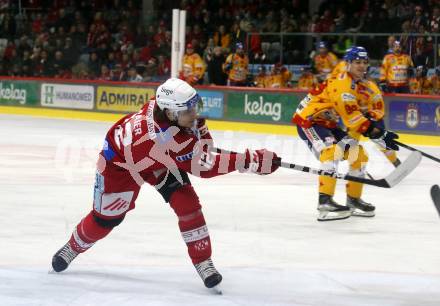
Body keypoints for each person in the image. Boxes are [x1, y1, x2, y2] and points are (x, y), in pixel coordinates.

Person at [51, 78, 279, 289]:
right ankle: (73, 247)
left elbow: (202, 150)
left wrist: (198, 130)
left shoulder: (160, 109)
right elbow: (205, 166)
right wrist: (251, 160)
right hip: (120, 167)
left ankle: (203, 261)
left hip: (156, 160)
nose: (194, 113)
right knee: (105, 219)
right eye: (188, 110)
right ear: (170, 113)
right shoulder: (163, 138)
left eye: (193, 106)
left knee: (187, 204)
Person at [292, 47, 400, 221]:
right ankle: (325, 202)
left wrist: (374, 126)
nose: (362, 66)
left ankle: (353, 200)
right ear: (348, 63)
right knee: (331, 152)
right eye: (357, 62)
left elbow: (357, 113)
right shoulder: (343, 83)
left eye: (365, 62)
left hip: (329, 123)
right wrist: (376, 132)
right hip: (309, 121)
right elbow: (352, 119)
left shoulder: (356, 82)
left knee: (359, 155)